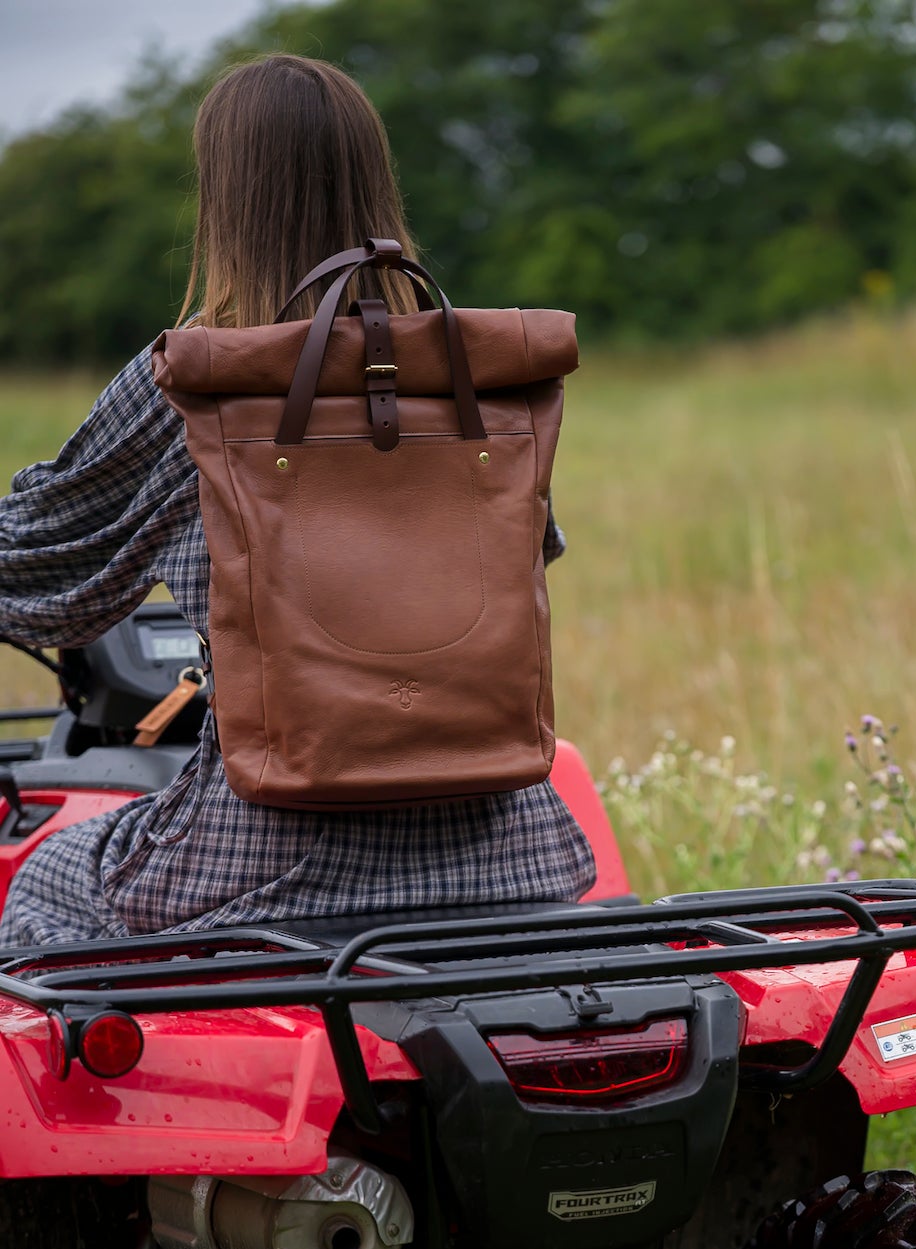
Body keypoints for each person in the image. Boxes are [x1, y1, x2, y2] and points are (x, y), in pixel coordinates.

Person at [0, 54, 595, 950]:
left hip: (268, 862)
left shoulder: (201, 379)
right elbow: (527, 549)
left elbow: (43, 575)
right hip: (511, 851)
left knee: (46, 873)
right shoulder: (474, 377)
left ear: (224, 199)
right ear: (375, 182)